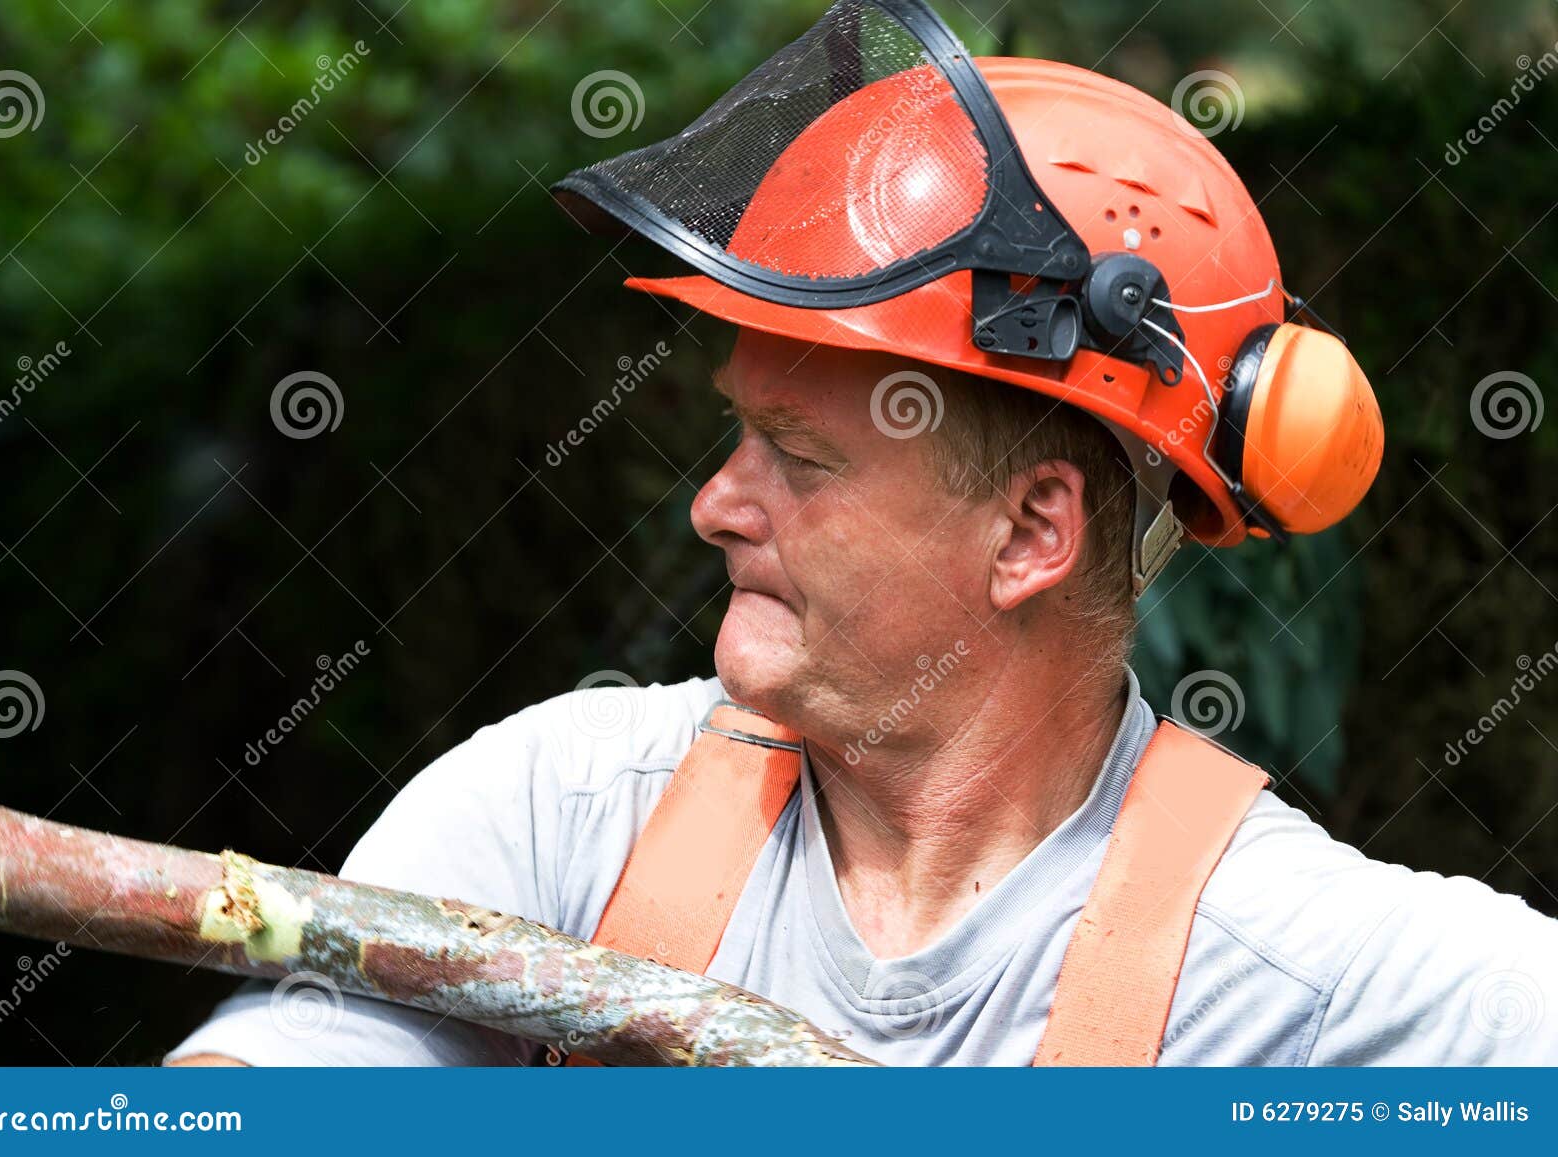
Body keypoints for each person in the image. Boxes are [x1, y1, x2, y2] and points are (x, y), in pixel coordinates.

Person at [169, 0, 1556, 1067]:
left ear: (1032, 531)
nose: (717, 502)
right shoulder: (556, 825)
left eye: (801, 456)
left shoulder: (1285, 975)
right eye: (739, 432)